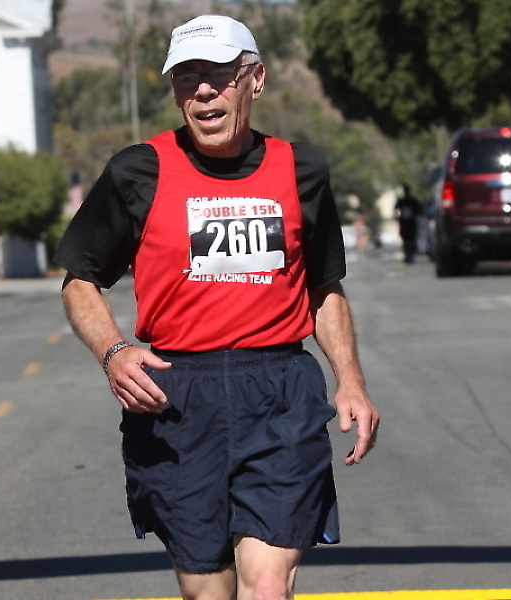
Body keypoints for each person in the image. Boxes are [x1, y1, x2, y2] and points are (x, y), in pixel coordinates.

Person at [54, 14, 380, 600]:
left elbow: (323, 286)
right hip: (178, 397)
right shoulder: (138, 170)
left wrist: (350, 379)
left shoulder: (302, 170)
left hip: (278, 389)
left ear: (255, 80)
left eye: (219, 75)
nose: (202, 90)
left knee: (268, 587)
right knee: (207, 592)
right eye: (187, 78)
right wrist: (113, 351)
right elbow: (80, 278)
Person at [395, 183, 422, 263]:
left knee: (411, 239)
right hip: (405, 223)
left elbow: (419, 208)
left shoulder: (411, 200)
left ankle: (410, 254)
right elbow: (396, 209)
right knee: (407, 239)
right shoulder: (402, 201)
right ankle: (408, 255)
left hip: (410, 223)